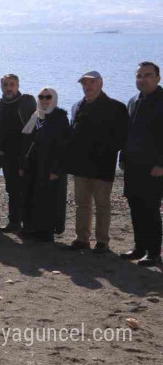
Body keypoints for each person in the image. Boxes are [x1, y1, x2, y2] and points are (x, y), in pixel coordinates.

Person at [65, 71, 128, 253]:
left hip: (103, 164)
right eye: (84, 83)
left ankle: (102, 241)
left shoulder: (116, 107)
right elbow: (73, 133)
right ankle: (82, 239)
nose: (88, 86)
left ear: (100, 83)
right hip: (81, 165)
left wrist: (104, 151)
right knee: (82, 204)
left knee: (102, 205)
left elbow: (121, 138)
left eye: (91, 82)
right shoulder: (77, 106)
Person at [120, 61, 163, 267]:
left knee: (151, 209)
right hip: (133, 165)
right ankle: (139, 247)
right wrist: (122, 158)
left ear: (158, 78)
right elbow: (126, 133)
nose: (143, 79)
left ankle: (153, 252)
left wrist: (161, 164)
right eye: (139, 76)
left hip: (154, 167)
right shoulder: (133, 101)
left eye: (147, 75)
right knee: (135, 206)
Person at [19, 87, 69, 243]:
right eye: (41, 97)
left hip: (49, 165)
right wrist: (22, 165)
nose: (44, 100)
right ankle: (32, 227)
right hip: (33, 164)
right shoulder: (36, 116)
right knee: (32, 195)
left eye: (48, 97)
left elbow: (62, 146)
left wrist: (56, 169)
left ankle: (47, 231)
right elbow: (27, 142)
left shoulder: (59, 118)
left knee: (48, 199)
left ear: (53, 98)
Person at [0, 74, 37, 233]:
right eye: (5, 85)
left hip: (25, 153)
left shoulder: (27, 101)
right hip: (6, 154)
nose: (8, 87)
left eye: (12, 84)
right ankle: (14, 221)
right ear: (1, 87)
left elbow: (36, 125)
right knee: (11, 188)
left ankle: (29, 223)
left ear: (18, 86)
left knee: (26, 188)